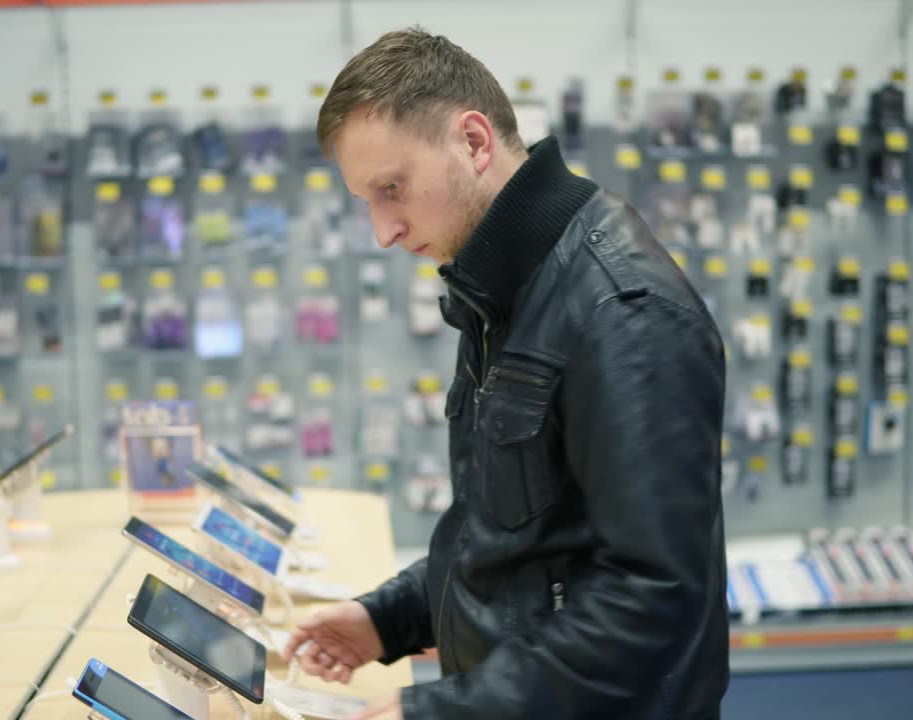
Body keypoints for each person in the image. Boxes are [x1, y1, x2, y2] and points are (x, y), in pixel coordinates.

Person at [282, 27, 729, 720]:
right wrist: (388, 619)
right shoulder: (506, 287)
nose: (383, 230)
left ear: (473, 142)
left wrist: (437, 713)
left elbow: (652, 602)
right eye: (369, 200)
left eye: (392, 188)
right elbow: (512, 539)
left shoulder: (620, 310)